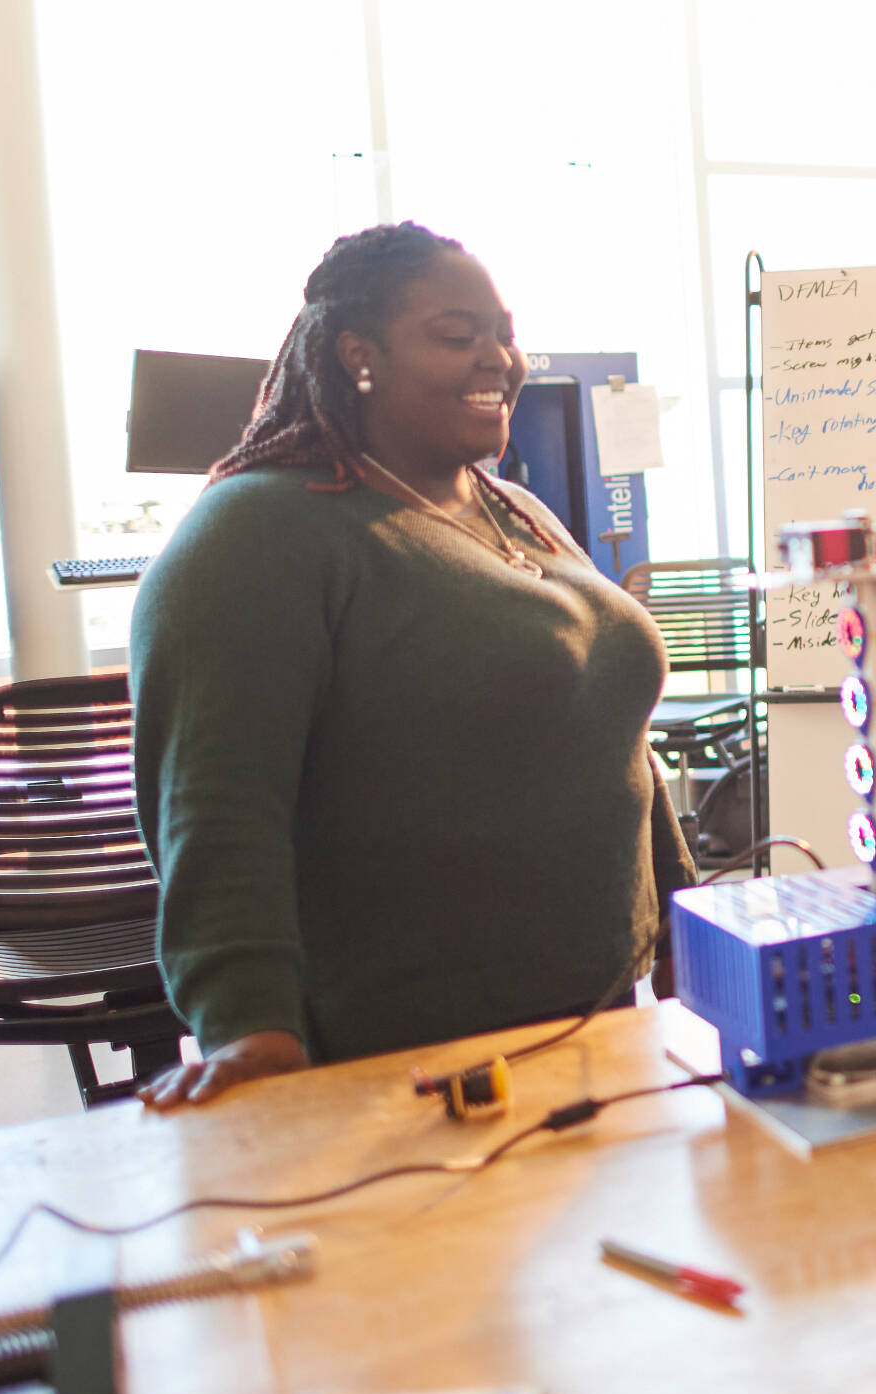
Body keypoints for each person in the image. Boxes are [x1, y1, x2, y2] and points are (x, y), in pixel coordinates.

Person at [129, 222, 693, 1107]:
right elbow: (216, 808)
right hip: (397, 1061)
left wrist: (681, 921)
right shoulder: (256, 533)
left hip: (598, 1027)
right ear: (359, 357)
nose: (498, 359)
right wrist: (246, 1028)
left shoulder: (519, 511)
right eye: (455, 335)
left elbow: (607, 720)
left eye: (503, 333)